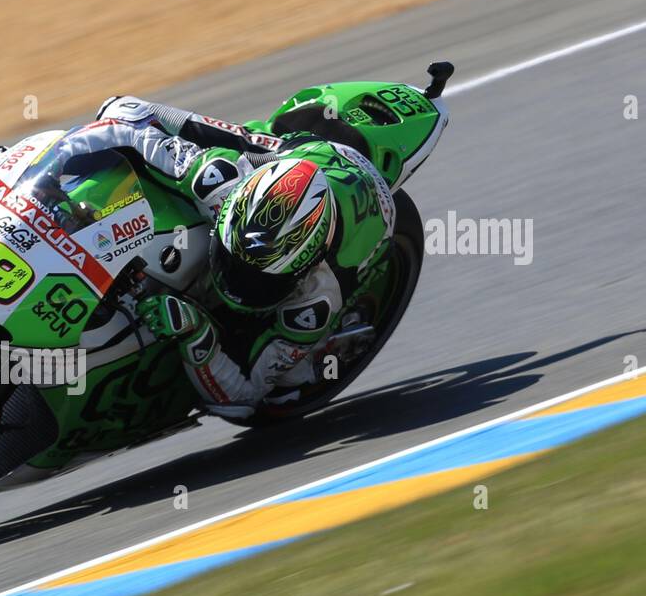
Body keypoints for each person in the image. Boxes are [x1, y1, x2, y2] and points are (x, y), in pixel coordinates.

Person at [62, 95, 398, 422]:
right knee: (124, 111)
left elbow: (243, 397)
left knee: (285, 387)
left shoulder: (317, 297)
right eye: (231, 260)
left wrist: (195, 331)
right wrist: (33, 167)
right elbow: (123, 122)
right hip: (285, 156)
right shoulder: (215, 178)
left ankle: (325, 351)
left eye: (260, 279)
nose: (238, 283)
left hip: (361, 209)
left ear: (306, 266)